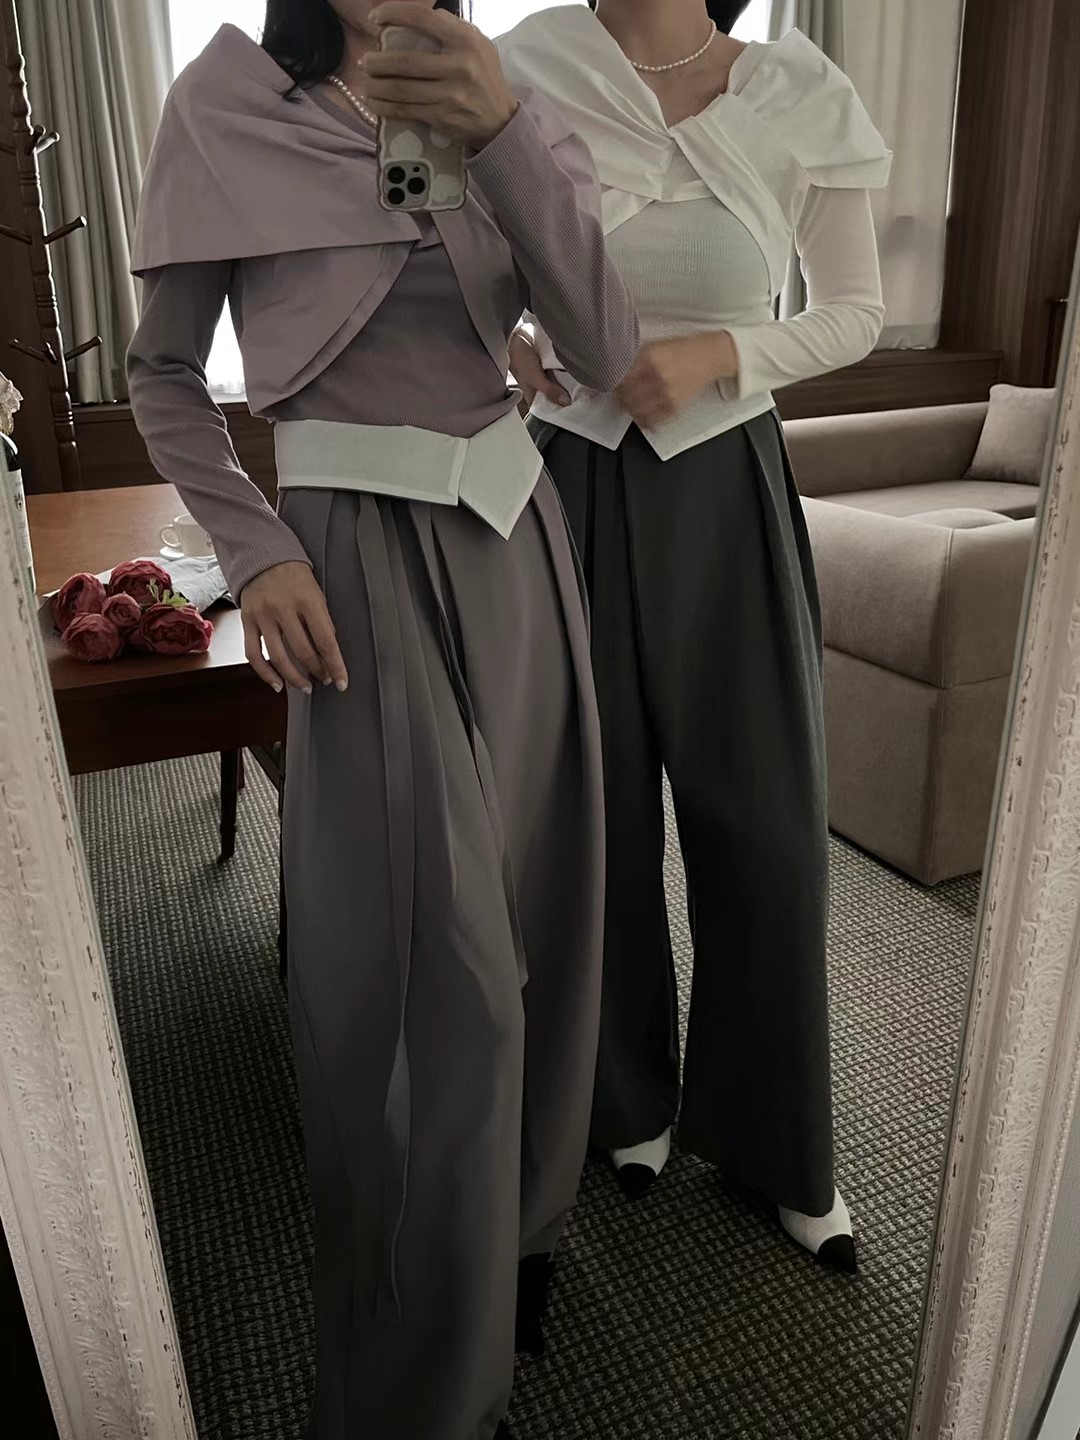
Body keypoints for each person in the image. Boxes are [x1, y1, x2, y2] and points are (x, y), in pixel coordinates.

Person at [127, 2, 639, 1436]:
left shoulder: (493, 95)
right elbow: (162, 374)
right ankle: (420, 1373)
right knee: (432, 979)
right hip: (356, 567)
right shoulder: (228, 105)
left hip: (519, 548)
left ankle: (523, 1238)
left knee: (548, 915)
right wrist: (256, 550)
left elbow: (602, 347)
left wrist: (505, 132)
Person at [499, 0, 891, 1271]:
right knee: (594, 814)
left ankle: (780, 1143)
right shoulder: (527, 68)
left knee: (768, 824)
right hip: (569, 480)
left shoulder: (796, 93)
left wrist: (722, 353)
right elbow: (465, 267)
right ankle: (624, 1102)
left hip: (728, 484)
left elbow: (856, 311)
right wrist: (509, 340)